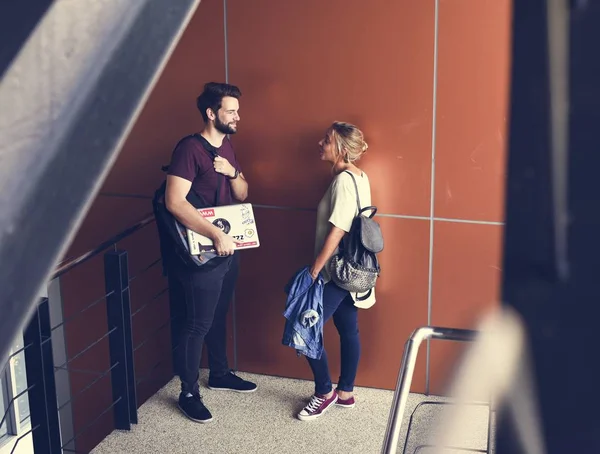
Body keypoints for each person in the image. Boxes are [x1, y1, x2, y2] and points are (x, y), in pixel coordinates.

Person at [165, 82, 257, 424]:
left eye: (236, 111)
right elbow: (174, 202)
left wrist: (231, 172)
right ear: (211, 113)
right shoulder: (189, 149)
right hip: (199, 252)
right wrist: (215, 234)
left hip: (227, 249)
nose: (237, 116)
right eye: (230, 111)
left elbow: (243, 192)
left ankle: (219, 373)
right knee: (196, 323)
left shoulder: (227, 147)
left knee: (218, 314)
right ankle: (188, 392)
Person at [297, 121, 373, 421]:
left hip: (334, 272)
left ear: (341, 148)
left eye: (326, 140)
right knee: (348, 328)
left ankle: (324, 392)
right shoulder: (360, 176)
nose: (320, 143)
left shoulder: (343, 181)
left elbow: (338, 229)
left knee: (303, 329)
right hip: (353, 270)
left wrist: (314, 270)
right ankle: (346, 392)